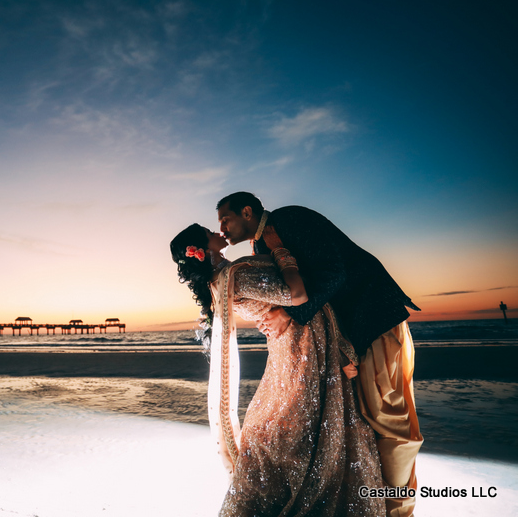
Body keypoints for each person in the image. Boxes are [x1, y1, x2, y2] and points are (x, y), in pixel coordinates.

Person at [216, 192, 423, 517]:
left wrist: (288, 315)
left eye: (224, 219)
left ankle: (400, 510)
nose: (222, 229)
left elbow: (333, 275)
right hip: (348, 334)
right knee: (366, 421)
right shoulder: (261, 247)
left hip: (375, 318)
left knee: (389, 422)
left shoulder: (288, 219)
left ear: (246, 211)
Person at [170, 224, 384, 516]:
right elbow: (296, 294)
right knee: (296, 423)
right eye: (209, 231)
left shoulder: (219, 281)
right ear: (201, 249)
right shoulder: (236, 275)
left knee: (284, 422)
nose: (218, 230)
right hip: (302, 345)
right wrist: (283, 255)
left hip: (291, 343)